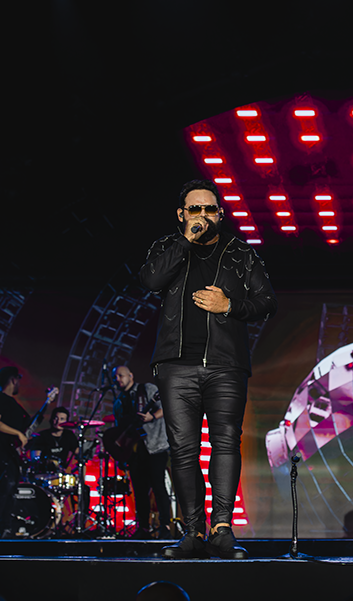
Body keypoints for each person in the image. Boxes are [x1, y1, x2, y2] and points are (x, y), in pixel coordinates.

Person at [139, 179, 277, 559]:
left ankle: (221, 528)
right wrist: (185, 241)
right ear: (182, 214)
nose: (204, 216)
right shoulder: (168, 247)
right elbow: (150, 280)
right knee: (182, 449)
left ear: (220, 213)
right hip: (175, 364)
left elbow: (267, 300)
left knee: (225, 442)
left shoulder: (239, 253)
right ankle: (192, 532)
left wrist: (230, 306)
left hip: (225, 364)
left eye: (210, 209)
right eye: (195, 209)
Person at [111, 365, 172, 539]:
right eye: (116, 377)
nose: (118, 379)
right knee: (139, 491)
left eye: (121, 376)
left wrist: (152, 417)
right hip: (135, 450)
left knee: (158, 487)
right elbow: (119, 428)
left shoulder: (147, 389)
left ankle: (165, 526)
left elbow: (166, 407)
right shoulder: (119, 402)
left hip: (155, 447)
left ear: (131, 375)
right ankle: (143, 527)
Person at [0, 366, 30, 540]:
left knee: (11, 488)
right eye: (18, 379)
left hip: (12, 451)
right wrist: (17, 433)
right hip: (1, 449)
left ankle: (5, 528)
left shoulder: (13, 403)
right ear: (13, 380)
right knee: (5, 486)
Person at [25, 406, 79, 474]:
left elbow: (78, 452)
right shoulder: (42, 435)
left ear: (66, 422)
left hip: (61, 473)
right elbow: (35, 459)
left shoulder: (69, 435)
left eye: (62, 419)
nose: (58, 421)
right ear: (51, 419)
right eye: (55, 418)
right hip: (44, 472)